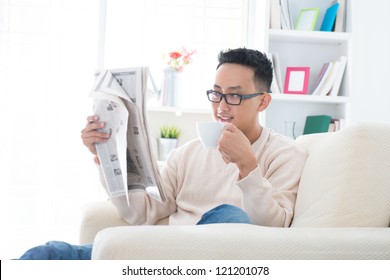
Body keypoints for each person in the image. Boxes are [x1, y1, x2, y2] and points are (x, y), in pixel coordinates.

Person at [17, 48, 308, 259]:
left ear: (263, 102)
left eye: (233, 95)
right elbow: (142, 213)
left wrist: (247, 165)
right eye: (216, 93)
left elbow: (273, 231)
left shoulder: (285, 154)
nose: (221, 106)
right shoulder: (187, 153)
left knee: (231, 217)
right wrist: (106, 158)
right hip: (160, 253)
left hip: (209, 262)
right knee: (49, 253)